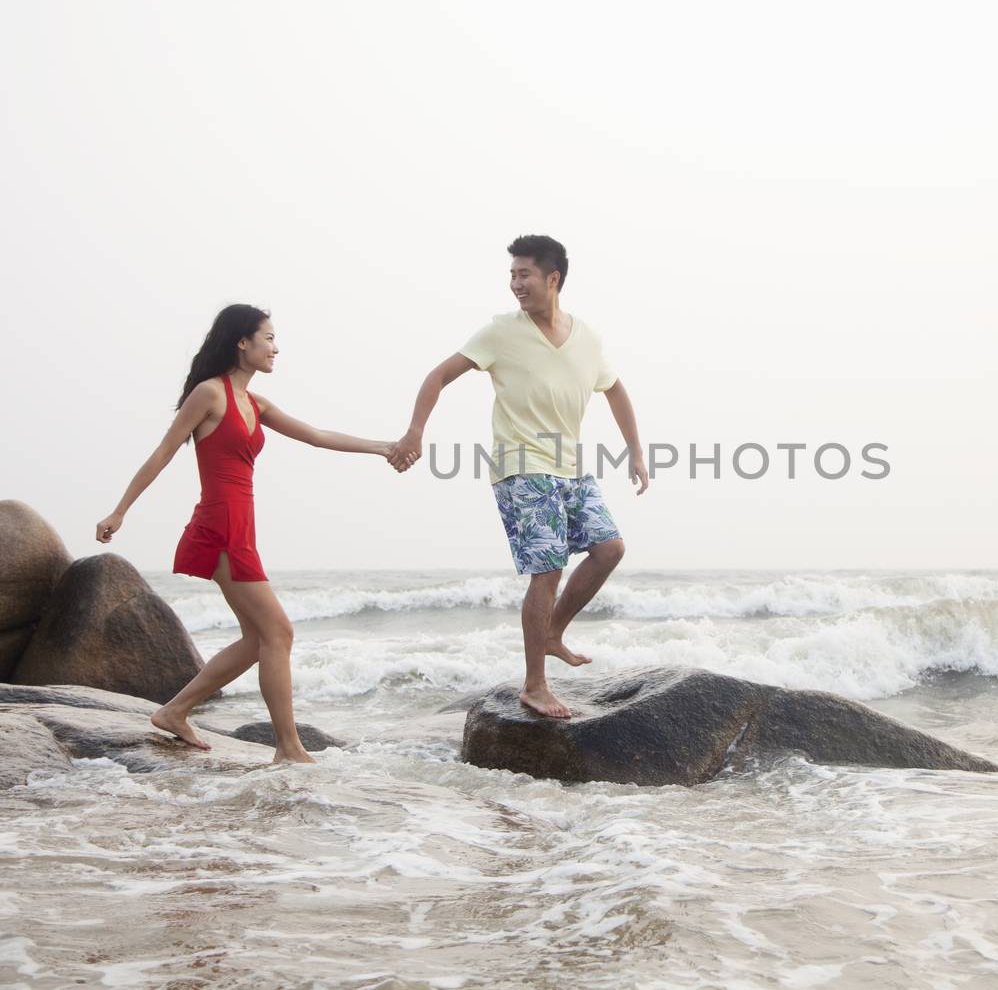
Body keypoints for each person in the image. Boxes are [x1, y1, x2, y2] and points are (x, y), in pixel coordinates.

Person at [96, 304, 394, 763]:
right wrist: (120, 511)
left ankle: (175, 711)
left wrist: (382, 447)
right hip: (220, 524)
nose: (276, 347)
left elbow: (316, 435)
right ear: (242, 342)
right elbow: (164, 452)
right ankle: (289, 748)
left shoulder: (256, 403)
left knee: (260, 639)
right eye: (268, 338)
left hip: (240, 524)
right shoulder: (209, 394)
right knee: (279, 632)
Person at [388, 235, 648, 719]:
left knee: (609, 548)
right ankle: (535, 685)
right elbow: (438, 376)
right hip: (521, 465)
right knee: (546, 569)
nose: (515, 284)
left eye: (524, 274)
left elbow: (615, 390)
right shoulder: (499, 332)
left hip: (571, 467)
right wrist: (415, 432)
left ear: (553, 279)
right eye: (512, 275)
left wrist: (635, 450)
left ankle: (553, 633)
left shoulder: (587, 337)